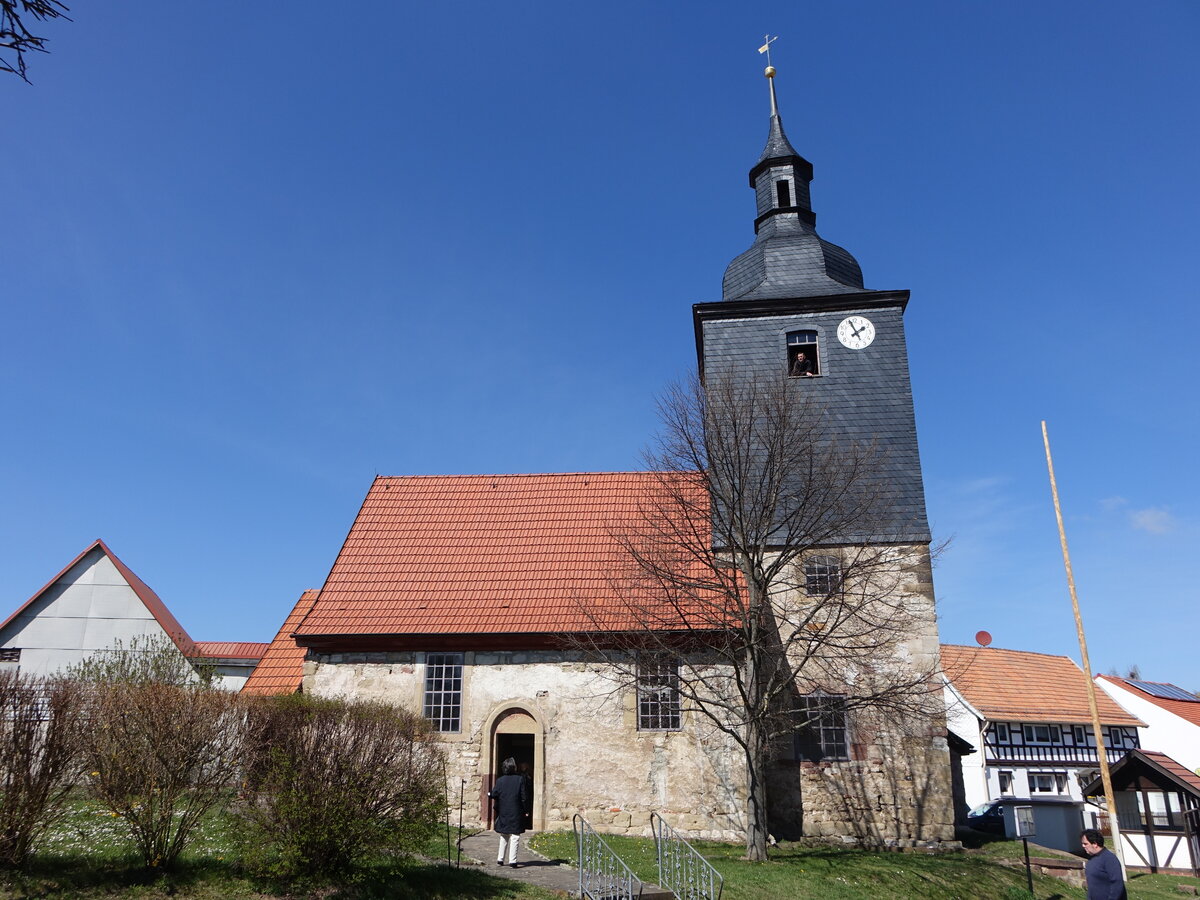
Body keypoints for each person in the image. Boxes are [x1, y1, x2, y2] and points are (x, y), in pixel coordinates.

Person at [488, 757, 530, 867]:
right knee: (515, 836)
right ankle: (513, 860)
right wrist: (526, 810)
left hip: (504, 811)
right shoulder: (519, 779)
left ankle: (500, 859)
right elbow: (524, 797)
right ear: (513, 767)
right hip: (516, 811)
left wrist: (489, 794)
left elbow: (494, 794)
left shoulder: (500, 780)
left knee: (504, 835)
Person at [1080, 829, 1127, 900]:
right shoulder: (1091, 860)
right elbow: (1091, 886)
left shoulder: (1109, 859)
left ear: (1095, 844)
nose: (1083, 846)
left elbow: (1117, 883)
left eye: (1085, 844)